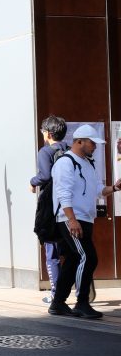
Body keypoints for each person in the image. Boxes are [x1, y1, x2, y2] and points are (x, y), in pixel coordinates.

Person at [49, 124, 120, 319]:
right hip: (70, 218)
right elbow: (63, 193)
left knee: (73, 259)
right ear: (79, 141)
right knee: (89, 257)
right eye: (92, 143)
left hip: (85, 218)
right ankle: (81, 302)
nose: (95, 147)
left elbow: (98, 190)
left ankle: (58, 303)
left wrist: (114, 188)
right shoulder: (65, 163)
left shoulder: (88, 164)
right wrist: (72, 220)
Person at [29, 115, 66, 304]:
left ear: (49, 133)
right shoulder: (69, 149)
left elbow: (44, 176)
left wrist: (32, 182)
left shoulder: (45, 152)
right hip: (69, 206)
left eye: (43, 131)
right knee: (69, 250)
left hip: (51, 206)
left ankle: (55, 294)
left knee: (51, 251)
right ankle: (76, 291)